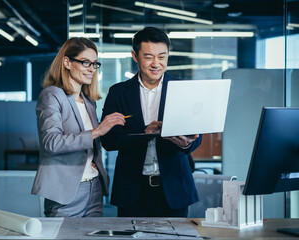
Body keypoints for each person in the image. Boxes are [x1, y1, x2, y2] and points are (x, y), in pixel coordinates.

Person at [100, 27, 202, 217]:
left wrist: (186, 143)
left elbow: (197, 138)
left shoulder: (183, 89)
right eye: (149, 57)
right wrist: (145, 134)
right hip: (132, 190)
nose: (156, 63)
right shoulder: (118, 92)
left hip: (174, 189)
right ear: (135, 56)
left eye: (162, 57)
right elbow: (108, 141)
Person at [31, 37, 126, 217]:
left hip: (93, 188)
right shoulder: (52, 95)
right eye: (85, 62)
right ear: (67, 62)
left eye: (95, 64)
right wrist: (97, 131)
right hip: (66, 191)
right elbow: (51, 143)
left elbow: (87, 145)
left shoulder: (88, 101)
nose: (91, 69)